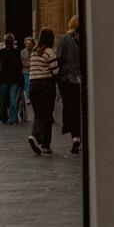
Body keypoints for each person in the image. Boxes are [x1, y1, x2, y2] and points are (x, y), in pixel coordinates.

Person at [28, 28, 59, 155]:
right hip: (45, 86)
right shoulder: (49, 52)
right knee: (47, 115)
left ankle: (41, 141)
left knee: (39, 113)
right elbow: (55, 71)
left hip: (33, 85)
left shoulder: (34, 52)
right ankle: (38, 139)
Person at [56, 15, 82, 154]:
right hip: (81, 79)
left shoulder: (64, 39)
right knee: (80, 108)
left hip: (67, 79)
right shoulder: (84, 38)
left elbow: (58, 58)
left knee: (70, 108)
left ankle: (75, 136)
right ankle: (80, 134)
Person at [0, 34, 23, 124]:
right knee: (12, 99)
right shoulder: (16, 52)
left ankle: (5, 117)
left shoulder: (2, 52)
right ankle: (12, 118)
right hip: (12, 78)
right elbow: (20, 66)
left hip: (5, 78)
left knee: (4, 99)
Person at [20, 37, 35, 104]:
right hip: (25, 71)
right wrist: (29, 62)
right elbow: (21, 62)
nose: (28, 45)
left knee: (33, 85)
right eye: (26, 43)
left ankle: (32, 97)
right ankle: (27, 98)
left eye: (29, 43)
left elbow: (35, 61)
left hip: (33, 71)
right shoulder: (22, 52)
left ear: (32, 44)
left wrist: (29, 62)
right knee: (27, 84)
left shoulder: (35, 51)